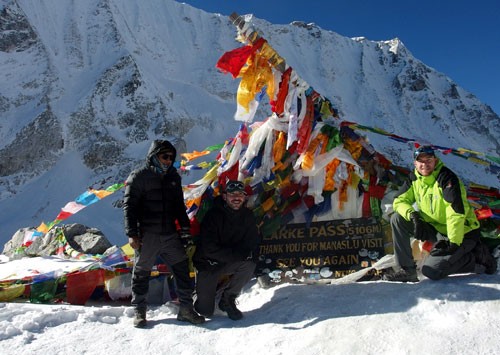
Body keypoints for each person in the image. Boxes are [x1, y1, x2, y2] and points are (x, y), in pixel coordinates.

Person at [383, 145, 496, 282]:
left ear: (435, 161)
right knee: (397, 219)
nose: (425, 164)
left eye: (428, 160)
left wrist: (453, 243)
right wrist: (414, 216)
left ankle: (478, 260)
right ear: (415, 163)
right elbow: (399, 201)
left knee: (432, 271)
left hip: (462, 232)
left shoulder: (447, 179)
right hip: (436, 230)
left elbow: (455, 212)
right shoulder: (415, 179)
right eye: (421, 161)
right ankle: (407, 271)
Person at [123, 139, 205, 327]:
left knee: (182, 269)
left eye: (171, 157)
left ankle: (185, 309)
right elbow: (130, 207)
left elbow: (178, 207)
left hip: (169, 233)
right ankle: (140, 311)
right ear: (153, 156)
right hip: (147, 235)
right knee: (142, 272)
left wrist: (184, 229)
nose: (168, 160)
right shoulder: (138, 177)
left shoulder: (173, 177)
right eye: (164, 156)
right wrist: (132, 234)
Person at [193, 180, 261, 320]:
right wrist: (237, 254)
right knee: (205, 312)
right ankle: (198, 295)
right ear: (225, 196)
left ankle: (228, 298)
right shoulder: (213, 216)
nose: (236, 198)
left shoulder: (247, 216)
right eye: (232, 194)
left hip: (229, 261)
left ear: (244, 197)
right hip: (209, 264)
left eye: (240, 194)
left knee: (249, 264)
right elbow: (208, 248)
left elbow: (252, 242)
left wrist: (242, 255)